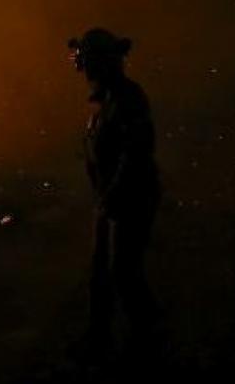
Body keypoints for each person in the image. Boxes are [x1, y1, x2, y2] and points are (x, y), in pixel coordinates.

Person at [68, 28, 162, 360]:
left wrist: (113, 194)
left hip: (130, 199)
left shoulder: (128, 98)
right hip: (109, 200)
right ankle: (100, 338)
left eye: (89, 61)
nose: (84, 69)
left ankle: (147, 343)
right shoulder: (102, 103)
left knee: (123, 271)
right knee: (100, 273)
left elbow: (137, 151)